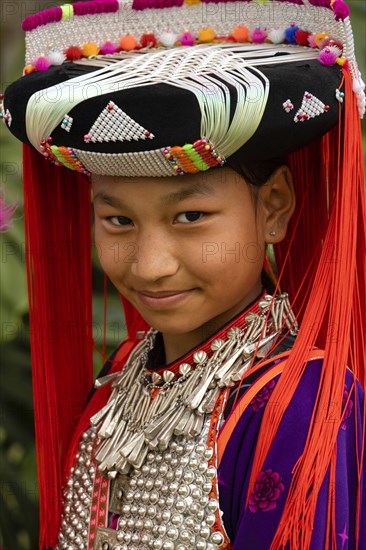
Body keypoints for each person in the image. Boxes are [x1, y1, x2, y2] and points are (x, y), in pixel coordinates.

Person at [2, 0, 365, 548]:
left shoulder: (296, 403)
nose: (150, 265)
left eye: (190, 217)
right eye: (118, 219)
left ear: (274, 207)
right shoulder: (124, 373)